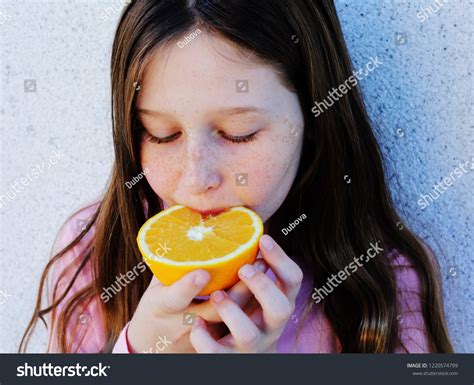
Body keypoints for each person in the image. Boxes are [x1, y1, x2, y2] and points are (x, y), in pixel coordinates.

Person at [20, 0, 453, 353]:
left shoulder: (382, 286)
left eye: (238, 134)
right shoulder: (94, 256)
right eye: (162, 134)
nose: (196, 180)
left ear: (314, 117)